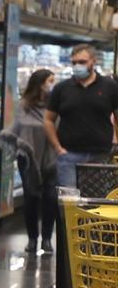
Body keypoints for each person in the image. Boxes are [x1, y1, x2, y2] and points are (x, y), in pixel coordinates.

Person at [45, 44, 118, 189]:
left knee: (96, 203)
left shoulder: (110, 87)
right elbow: (48, 120)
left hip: (100, 156)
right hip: (69, 156)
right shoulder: (62, 88)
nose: (78, 66)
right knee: (69, 203)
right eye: (74, 63)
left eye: (82, 62)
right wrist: (58, 148)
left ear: (93, 61)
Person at [9, 69, 59, 254]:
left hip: (51, 158)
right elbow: (17, 128)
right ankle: (32, 238)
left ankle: (47, 239)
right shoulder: (24, 105)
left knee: (50, 198)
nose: (53, 84)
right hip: (28, 159)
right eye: (50, 81)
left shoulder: (55, 105)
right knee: (30, 198)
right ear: (40, 83)